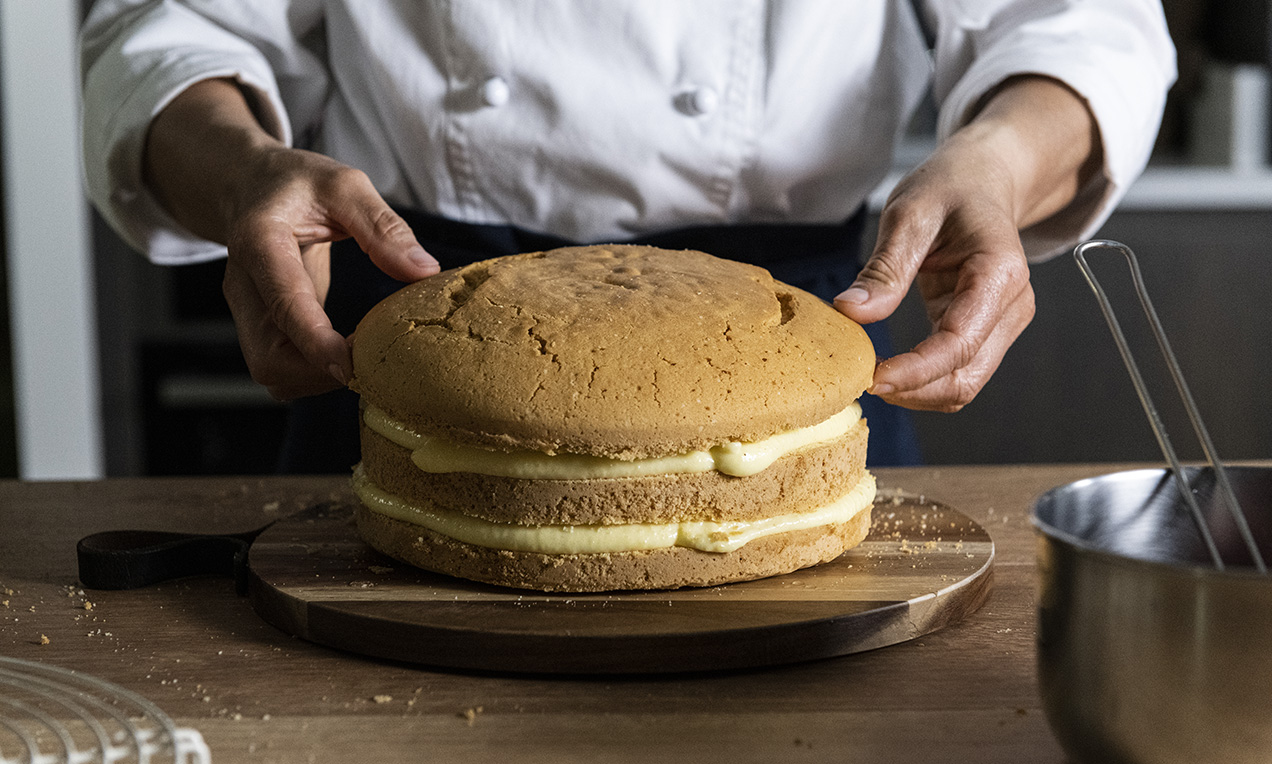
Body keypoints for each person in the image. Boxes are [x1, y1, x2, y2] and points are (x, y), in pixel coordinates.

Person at [80, 1, 1176, 470]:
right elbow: (170, 25)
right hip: (423, 339)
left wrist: (995, 165)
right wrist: (242, 174)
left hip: (796, 347)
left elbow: (1085, 26)